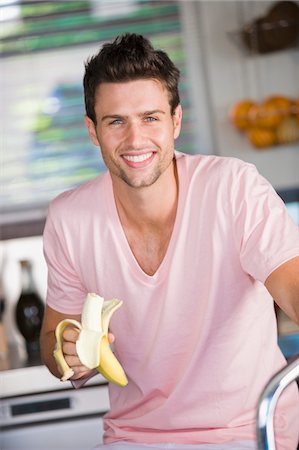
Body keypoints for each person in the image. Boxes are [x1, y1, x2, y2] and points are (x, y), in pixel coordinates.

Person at [40, 33, 299, 450]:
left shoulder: (234, 187)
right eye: (116, 121)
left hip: (249, 431)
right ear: (93, 130)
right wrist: (66, 353)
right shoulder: (69, 218)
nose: (135, 139)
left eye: (150, 118)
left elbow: (292, 284)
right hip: (135, 438)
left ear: (176, 121)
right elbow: (54, 340)